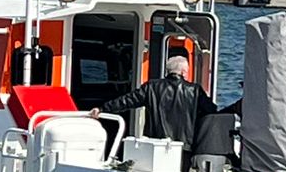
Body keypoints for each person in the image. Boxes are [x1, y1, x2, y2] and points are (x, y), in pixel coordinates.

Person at [91, 53, 220, 150]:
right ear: (184, 71)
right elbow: (211, 110)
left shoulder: (151, 87)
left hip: (155, 143)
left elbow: (127, 101)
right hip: (183, 145)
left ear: (168, 70)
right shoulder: (195, 90)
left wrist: (103, 108)